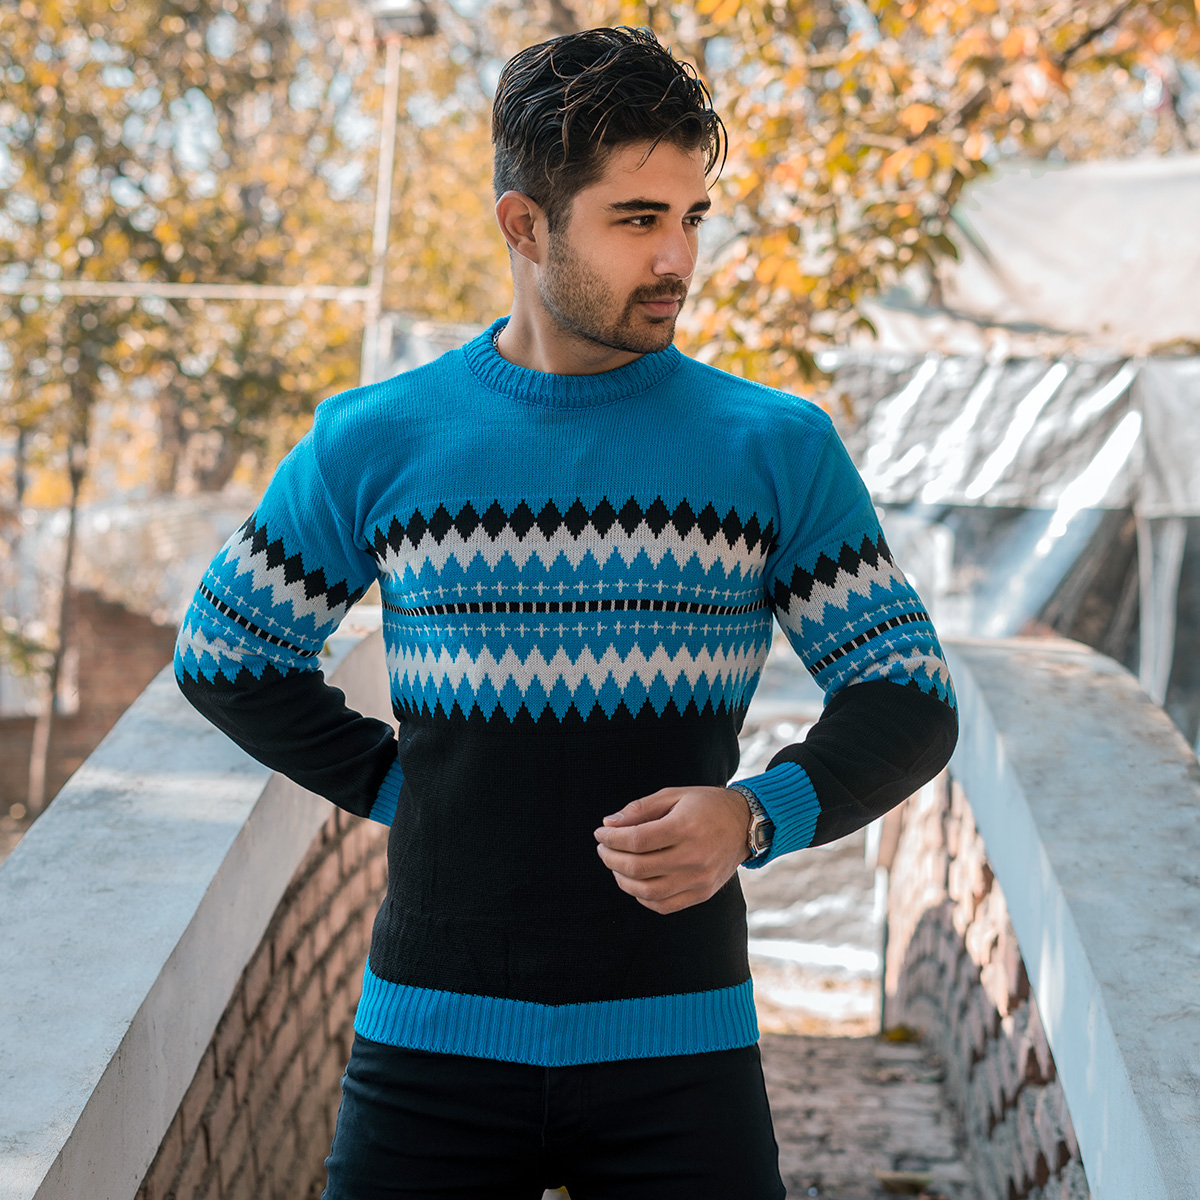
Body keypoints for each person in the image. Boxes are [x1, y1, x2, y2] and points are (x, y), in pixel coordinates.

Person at [175, 25, 957, 1200]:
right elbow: (227, 650)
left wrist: (757, 815)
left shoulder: (775, 447)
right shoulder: (375, 439)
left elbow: (909, 691)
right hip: (427, 1049)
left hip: (684, 1051)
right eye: (637, 219)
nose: (677, 256)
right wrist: (406, 789)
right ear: (525, 225)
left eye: (691, 217)